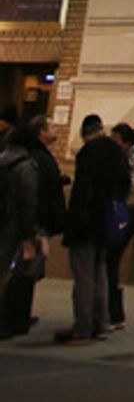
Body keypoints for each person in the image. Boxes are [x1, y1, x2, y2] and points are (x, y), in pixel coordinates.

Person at [55, 114, 130, 344]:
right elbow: (125, 186)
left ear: (86, 133)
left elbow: (82, 193)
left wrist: (73, 223)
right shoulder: (116, 152)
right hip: (107, 222)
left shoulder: (88, 154)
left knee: (84, 276)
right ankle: (102, 324)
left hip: (86, 224)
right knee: (101, 274)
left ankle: (83, 327)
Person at [0, 117, 66, 341]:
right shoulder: (27, 166)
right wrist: (33, 234)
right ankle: (11, 320)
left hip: (5, 223)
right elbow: (29, 201)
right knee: (21, 273)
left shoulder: (3, 160)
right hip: (18, 227)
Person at [104, 122, 134, 329]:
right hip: (124, 209)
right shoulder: (126, 158)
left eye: (116, 140)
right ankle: (113, 313)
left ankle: (114, 313)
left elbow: (130, 185)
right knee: (111, 261)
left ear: (126, 142)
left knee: (111, 259)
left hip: (127, 210)